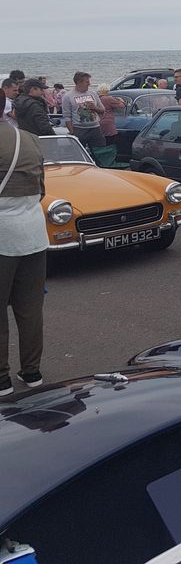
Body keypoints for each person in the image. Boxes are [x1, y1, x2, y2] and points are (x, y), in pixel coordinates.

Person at [0, 98, 48, 396]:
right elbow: (42, 188)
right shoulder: (28, 138)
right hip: (33, 233)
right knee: (30, 308)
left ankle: (1, 378)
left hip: (2, 235)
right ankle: (32, 371)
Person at [61, 72, 105, 148]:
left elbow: (103, 110)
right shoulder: (68, 96)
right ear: (78, 82)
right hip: (79, 129)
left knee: (100, 151)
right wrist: (72, 132)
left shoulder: (93, 93)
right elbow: (67, 116)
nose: (89, 84)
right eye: (87, 82)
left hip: (95, 128)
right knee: (79, 152)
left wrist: (95, 108)